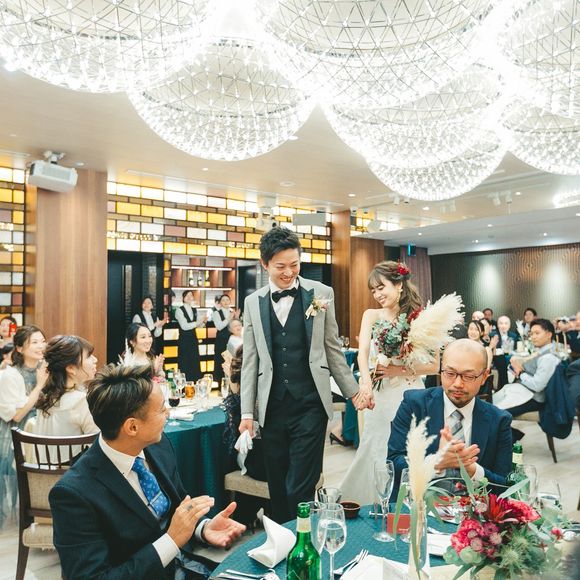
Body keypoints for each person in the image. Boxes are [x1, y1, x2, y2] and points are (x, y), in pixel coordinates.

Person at [49, 364, 245, 579]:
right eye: (161, 409)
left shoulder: (158, 446)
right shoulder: (74, 493)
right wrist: (171, 541)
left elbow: (176, 505)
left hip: (184, 568)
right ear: (132, 427)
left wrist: (202, 528)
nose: (168, 413)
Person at [239, 226, 369, 523]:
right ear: (264, 264)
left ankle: (301, 539)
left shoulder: (321, 293)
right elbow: (250, 362)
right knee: (278, 485)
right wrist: (247, 413)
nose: (288, 273)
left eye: (294, 264)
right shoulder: (253, 302)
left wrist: (353, 392)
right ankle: (286, 541)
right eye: (280, 266)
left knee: (299, 485)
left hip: (311, 404)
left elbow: (332, 349)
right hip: (271, 408)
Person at [340, 261, 438, 505]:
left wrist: (398, 370)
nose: (377, 294)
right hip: (381, 394)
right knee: (375, 446)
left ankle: (406, 503)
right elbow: (363, 353)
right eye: (373, 290)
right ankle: (372, 502)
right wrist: (365, 383)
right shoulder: (371, 315)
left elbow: (435, 365)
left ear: (399, 285)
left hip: (410, 392)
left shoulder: (420, 319)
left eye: (381, 287)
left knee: (409, 448)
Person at [387, 339, 513, 498]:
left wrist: (473, 470)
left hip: (472, 509)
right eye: (450, 373)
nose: (458, 383)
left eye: (468, 376)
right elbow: (393, 462)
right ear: (441, 370)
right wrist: (435, 463)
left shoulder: (499, 420)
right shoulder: (414, 404)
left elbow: (504, 486)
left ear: (484, 376)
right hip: (417, 505)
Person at [0, 326, 47, 522]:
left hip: (41, 430)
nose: (41, 346)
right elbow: (17, 415)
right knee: (18, 478)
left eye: (42, 341)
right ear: (19, 348)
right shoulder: (10, 375)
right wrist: (40, 385)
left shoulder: (46, 369)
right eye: (34, 342)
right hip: (15, 433)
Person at [34, 335, 99, 444]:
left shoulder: (46, 397)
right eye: (88, 356)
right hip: (74, 456)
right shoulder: (81, 401)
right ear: (70, 368)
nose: (95, 359)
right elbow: (97, 442)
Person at [496, 319, 560, 426]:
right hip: (526, 392)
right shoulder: (543, 351)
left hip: (534, 398)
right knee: (496, 402)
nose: (533, 337)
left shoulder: (548, 358)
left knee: (495, 412)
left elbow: (537, 386)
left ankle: (512, 435)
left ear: (549, 334)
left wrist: (520, 373)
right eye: (532, 333)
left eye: (537, 333)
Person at [175, 290, 206, 382]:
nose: (189, 297)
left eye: (191, 296)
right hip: (184, 340)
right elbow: (184, 326)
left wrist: (203, 322)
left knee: (194, 361)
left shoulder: (194, 310)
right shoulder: (179, 310)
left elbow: (199, 326)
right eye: (187, 296)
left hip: (193, 339)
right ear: (183, 298)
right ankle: (183, 385)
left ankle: (195, 383)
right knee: (184, 362)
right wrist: (198, 322)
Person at [212, 294, 240, 381]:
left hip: (232, 341)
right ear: (220, 303)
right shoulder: (216, 313)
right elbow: (219, 326)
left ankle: (232, 382)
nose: (225, 302)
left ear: (230, 301)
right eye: (223, 300)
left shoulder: (232, 312)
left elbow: (236, 327)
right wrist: (229, 318)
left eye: (227, 300)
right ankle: (220, 383)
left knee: (232, 361)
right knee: (221, 362)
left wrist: (236, 317)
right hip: (221, 341)